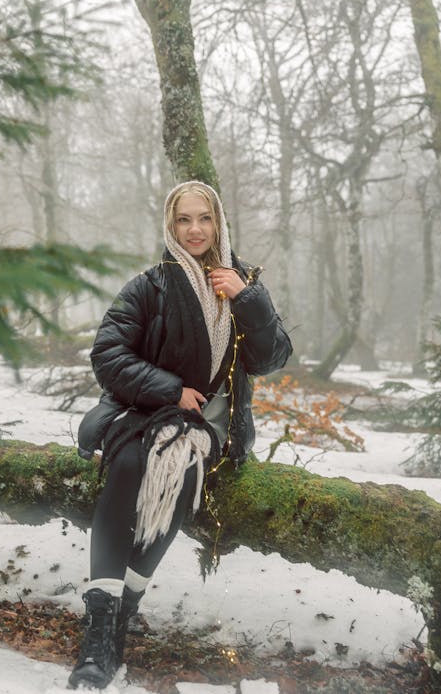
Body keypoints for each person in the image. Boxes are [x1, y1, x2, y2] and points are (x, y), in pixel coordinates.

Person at [68, 181, 292, 690]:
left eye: (204, 219)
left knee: (181, 476)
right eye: (184, 220)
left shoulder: (243, 281)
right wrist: (170, 389)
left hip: (209, 427)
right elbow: (107, 354)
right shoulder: (150, 285)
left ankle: (124, 610)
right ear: (171, 227)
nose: (194, 229)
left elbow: (271, 358)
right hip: (144, 410)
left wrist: (247, 299)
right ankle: (99, 632)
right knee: (127, 467)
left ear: (219, 224)